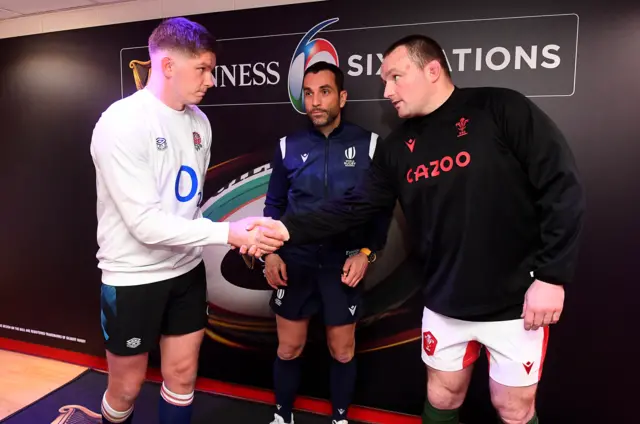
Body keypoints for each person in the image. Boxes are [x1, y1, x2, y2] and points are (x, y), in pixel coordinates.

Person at [245, 35, 586, 424]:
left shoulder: (500, 107)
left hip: (516, 304)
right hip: (443, 301)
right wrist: (282, 231)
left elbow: (561, 185)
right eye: (383, 81)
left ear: (432, 70)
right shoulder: (396, 147)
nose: (386, 91)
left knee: (513, 408)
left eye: (394, 77)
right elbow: (352, 208)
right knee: (441, 397)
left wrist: (551, 277)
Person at [90, 17, 286, 424]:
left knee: (182, 374)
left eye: (211, 69)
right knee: (126, 388)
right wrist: (228, 233)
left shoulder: (199, 122)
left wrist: (240, 235)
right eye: (202, 69)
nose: (211, 80)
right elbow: (144, 224)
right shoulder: (121, 122)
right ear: (166, 66)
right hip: (133, 277)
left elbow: (188, 207)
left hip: (185, 271)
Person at [261, 61, 392, 424]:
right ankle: (282, 416)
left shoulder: (369, 144)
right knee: (289, 349)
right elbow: (273, 206)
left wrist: (367, 253)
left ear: (342, 97)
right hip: (296, 263)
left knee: (343, 351)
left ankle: (338, 418)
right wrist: (270, 254)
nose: (314, 101)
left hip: (342, 263)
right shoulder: (288, 145)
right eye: (308, 93)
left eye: (324, 91)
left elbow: (380, 210)